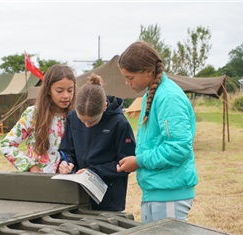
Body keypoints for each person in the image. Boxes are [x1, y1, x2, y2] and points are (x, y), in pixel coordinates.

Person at [116, 41, 198, 223]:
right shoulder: (151, 95)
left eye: (130, 77)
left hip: (169, 193)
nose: (127, 82)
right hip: (156, 190)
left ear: (148, 71)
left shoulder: (168, 98)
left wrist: (139, 161)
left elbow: (179, 148)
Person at [58, 73, 136, 211]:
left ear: (105, 106)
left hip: (109, 199)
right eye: (82, 121)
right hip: (78, 196)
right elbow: (67, 149)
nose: (87, 125)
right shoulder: (72, 117)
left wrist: (94, 171)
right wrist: (66, 162)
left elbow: (127, 163)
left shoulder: (119, 123)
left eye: (92, 121)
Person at [0, 64, 76, 173]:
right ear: (48, 90)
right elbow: (6, 145)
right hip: (39, 183)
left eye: (70, 90)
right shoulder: (33, 114)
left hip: (69, 184)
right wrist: (31, 166)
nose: (66, 96)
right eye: (59, 91)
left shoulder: (78, 116)